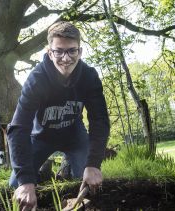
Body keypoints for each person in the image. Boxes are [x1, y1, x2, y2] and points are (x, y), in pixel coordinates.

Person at [7, 21, 110, 210]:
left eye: (72, 51)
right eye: (59, 51)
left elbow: (99, 120)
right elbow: (18, 128)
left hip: (74, 135)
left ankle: (67, 171)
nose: (65, 58)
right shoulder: (36, 79)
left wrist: (94, 164)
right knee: (16, 185)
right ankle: (42, 173)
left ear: (80, 51)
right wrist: (25, 182)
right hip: (41, 136)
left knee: (90, 182)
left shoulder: (89, 77)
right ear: (49, 52)